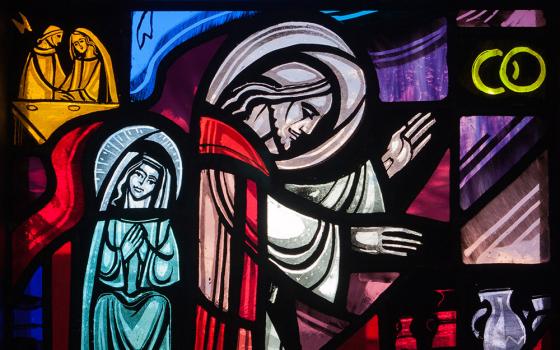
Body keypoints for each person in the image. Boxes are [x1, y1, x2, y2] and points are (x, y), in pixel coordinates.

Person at [195, 21, 424, 349]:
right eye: (307, 109)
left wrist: (383, 168)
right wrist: (353, 237)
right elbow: (256, 211)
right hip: (214, 306)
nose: (307, 129)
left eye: (318, 124)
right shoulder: (218, 139)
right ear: (275, 87)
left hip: (244, 303)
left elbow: (291, 200)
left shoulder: (255, 162)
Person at [82, 136, 180, 350]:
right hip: (114, 301)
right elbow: (98, 272)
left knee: (160, 303)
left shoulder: (162, 227)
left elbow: (166, 277)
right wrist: (122, 254)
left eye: (151, 181)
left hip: (148, 303)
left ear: (159, 188)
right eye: (139, 174)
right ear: (127, 174)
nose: (142, 184)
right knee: (105, 302)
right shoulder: (107, 222)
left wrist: (155, 249)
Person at [60, 28, 118, 103]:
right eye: (76, 44)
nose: (79, 46)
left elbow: (92, 92)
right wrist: (60, 93)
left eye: (81, 41)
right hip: (74, 100)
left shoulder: (99, 63)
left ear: (88, 40)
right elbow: (68, 84)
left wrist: (71, 95)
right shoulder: (78, 62)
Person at [18, 25, 70, 100]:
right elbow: (35, 78)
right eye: (58, 36)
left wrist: (66, 88)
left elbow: (59, 76)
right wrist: (52, 93)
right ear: (49, 35)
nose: (60, 40)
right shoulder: (34, 54)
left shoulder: (53, 54)